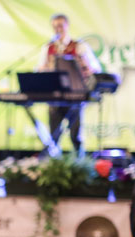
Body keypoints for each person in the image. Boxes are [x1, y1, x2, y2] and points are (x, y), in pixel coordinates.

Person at [36, 13, 102, 156]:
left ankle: (79, 163)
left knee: (75, 135)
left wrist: (83, 65)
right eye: (55, 26)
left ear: (67, 26)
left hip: (75, 96)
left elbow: (95, 69)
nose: (58, 29)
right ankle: (54, 163)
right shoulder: (48, 47)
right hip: (54, 96)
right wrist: (46, 68)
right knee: (54, 135)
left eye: (60, 26)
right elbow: (39, 69)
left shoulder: (79, 46)